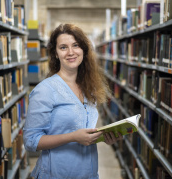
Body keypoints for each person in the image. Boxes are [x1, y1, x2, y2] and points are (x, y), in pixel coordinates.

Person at [23, 24, 122, 179]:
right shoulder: (45, 90)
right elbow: (30, 141)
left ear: (83, 49)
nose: (71, 52)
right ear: (55, 53)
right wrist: (73, 137)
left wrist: (104, 138)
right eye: (63, 47)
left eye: (75, 45)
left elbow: (84, 130)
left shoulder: (89, 86)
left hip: (88, 173)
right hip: (56, 174)